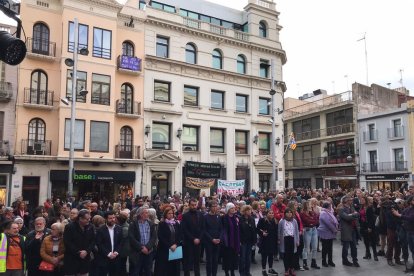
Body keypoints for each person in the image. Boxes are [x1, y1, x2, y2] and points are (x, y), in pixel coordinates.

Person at [63, 209, 95, 276]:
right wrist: (78, 252)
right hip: (72, 258)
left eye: (89, 219)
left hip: (85, 259)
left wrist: (86, 251)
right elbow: (67, 242)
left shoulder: (90, 226)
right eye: (87, 219)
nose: (89, 221)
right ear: (80, 218)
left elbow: (93, 241)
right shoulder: (69, 227)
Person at [129, 206, 157, 276]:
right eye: (146, 213)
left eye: (148, 213)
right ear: (140, 214)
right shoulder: (133, 224)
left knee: (148, 271)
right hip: (137, 252)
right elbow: (131, 238)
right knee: (136, 271)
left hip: (148, 251)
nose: (148, 214)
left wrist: (147, 247)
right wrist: (141, 247)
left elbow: (154, 237)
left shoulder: (151, 224)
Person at [154, 206, 182, 276]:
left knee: (174, 268)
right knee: (164, 269)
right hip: (164, 249)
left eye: (172, 213)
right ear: (165, 214)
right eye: (169, 213)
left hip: (175, 248)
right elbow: (161, 237)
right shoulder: (162, 224)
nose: (171, 215)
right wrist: (169, 246)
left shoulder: (176, 223)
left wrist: (176, 244)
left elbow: (179, 235)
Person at [181, 198, 204, 276]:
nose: (194, 206)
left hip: (198, 242)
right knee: (187, 262)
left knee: (197, 262)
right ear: (189, 205)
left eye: (195, 205)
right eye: (192, 205)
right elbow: (184, 230)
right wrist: (193, 239)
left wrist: (199, 238)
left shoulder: (201, 214)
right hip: (188, 242)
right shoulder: (185, 216)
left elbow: (203, 228)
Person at [95, 211, 122, 276]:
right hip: (104, 258)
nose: (113, 220)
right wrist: (109, 254)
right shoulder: (101, 230)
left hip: (116, 257)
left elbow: (121, 242)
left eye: (113, 218)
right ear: (105, 219)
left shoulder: (119, 228)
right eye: (110, 218)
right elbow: (99, 244)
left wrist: (116, 252)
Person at [392, 195, 414, 270]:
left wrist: (399, 215)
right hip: (408, 231)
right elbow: (403, 215)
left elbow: (411, 218)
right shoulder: (408, 209)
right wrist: (398, 212)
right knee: (412, 249)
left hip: (412, 232)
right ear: (410, 201)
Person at [339, 195, 360, 267]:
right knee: (346, 247)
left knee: (354, 246)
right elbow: (346, 217)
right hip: (346, 230)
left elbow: (358, 214)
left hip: (353, 229)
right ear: (346, 201)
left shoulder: (352, 207)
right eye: (350, 200)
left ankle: (355, 260)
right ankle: (345, 260)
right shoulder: (341, 209)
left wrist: (352, 214)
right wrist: (353, 214)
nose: (351, 201)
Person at [278, 208, 300, 276]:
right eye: (288, 212)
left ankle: (292, 269)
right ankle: (286, 269)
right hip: (285, 239)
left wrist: (297, 240)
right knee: (286, 255)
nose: (289, 213)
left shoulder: (294, 221)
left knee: (292, 255)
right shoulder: (282, 221)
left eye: (290, 212)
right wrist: (279, 239)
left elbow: (296, 231)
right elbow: (279, 231)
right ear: (285, 213)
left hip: (292, 239)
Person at [257, 209, 278, 276]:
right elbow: (258, 229)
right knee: (264, 256)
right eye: (270, 213)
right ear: (266, 214)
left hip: (272, 240)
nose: (271, 214)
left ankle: (270, 269)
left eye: (272, 213)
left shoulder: (274, 221)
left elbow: (276, 231)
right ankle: (263, 270)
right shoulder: (262, 220)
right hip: (265, 241)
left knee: (271, 255)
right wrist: (262, 233)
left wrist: (277, 239)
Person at [203, 200, 222, 276]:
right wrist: (212, 239)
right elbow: (204, 230)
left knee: (215, 260)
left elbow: (221, 229)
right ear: (209, 207)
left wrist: (219, 238)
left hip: (217, 241)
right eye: (213, 206)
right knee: (209, 261)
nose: (215, 208)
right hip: (209, 242)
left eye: (216, 206)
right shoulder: (205, 217)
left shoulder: (218, 216)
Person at [317, 202, 338, 267]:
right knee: (325, 248)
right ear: (328, 206)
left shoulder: (329, 212)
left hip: (329, 233)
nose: (331, 207)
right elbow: (328, 223)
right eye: (330, 206)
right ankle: (324, 261)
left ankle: (330, 261)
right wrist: (334, 229)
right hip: (325, 232)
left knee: (330, 248)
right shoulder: (323, 213)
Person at [300, 200, 319, 270]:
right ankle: (305, 263)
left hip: (313, 229)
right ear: (306, 205)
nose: (310, 205)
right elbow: (307, 221)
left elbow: (316, 220)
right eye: (309, 204)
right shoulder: (302, 213)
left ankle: (313, 262)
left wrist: (312, 221)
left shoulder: (312, 212)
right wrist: (312, 221)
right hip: (307, 230)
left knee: (314, 247)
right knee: (306, 247)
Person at [221, 203, 239, 276]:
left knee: (233, 257)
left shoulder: (236, 217)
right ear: (228, 209)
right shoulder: (224, 218)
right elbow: (222, 230)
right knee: (227, 258)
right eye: (231, 208)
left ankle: (232, 272)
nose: (233, 209)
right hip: (227, 241)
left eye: (234, 208)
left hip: (234, 240)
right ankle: (226, 272)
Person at [239, 205, 257, 276]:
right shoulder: (240, 219)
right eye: (248, 210)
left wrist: (254, 241)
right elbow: (239, 231)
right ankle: (242, 272)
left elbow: (254, 230)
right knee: (242, 258)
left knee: (248, 258)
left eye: (250, 210)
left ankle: (247, 272)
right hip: (243, 241)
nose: (250, 211)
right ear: (244, 211)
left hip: (250, 241)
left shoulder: (252, 219)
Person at [117, 212, 130, 276]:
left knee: (122, 264)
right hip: (123, 249)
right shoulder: (124, 226)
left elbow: (121, 239)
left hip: (123, 250)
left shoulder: (125, 228)